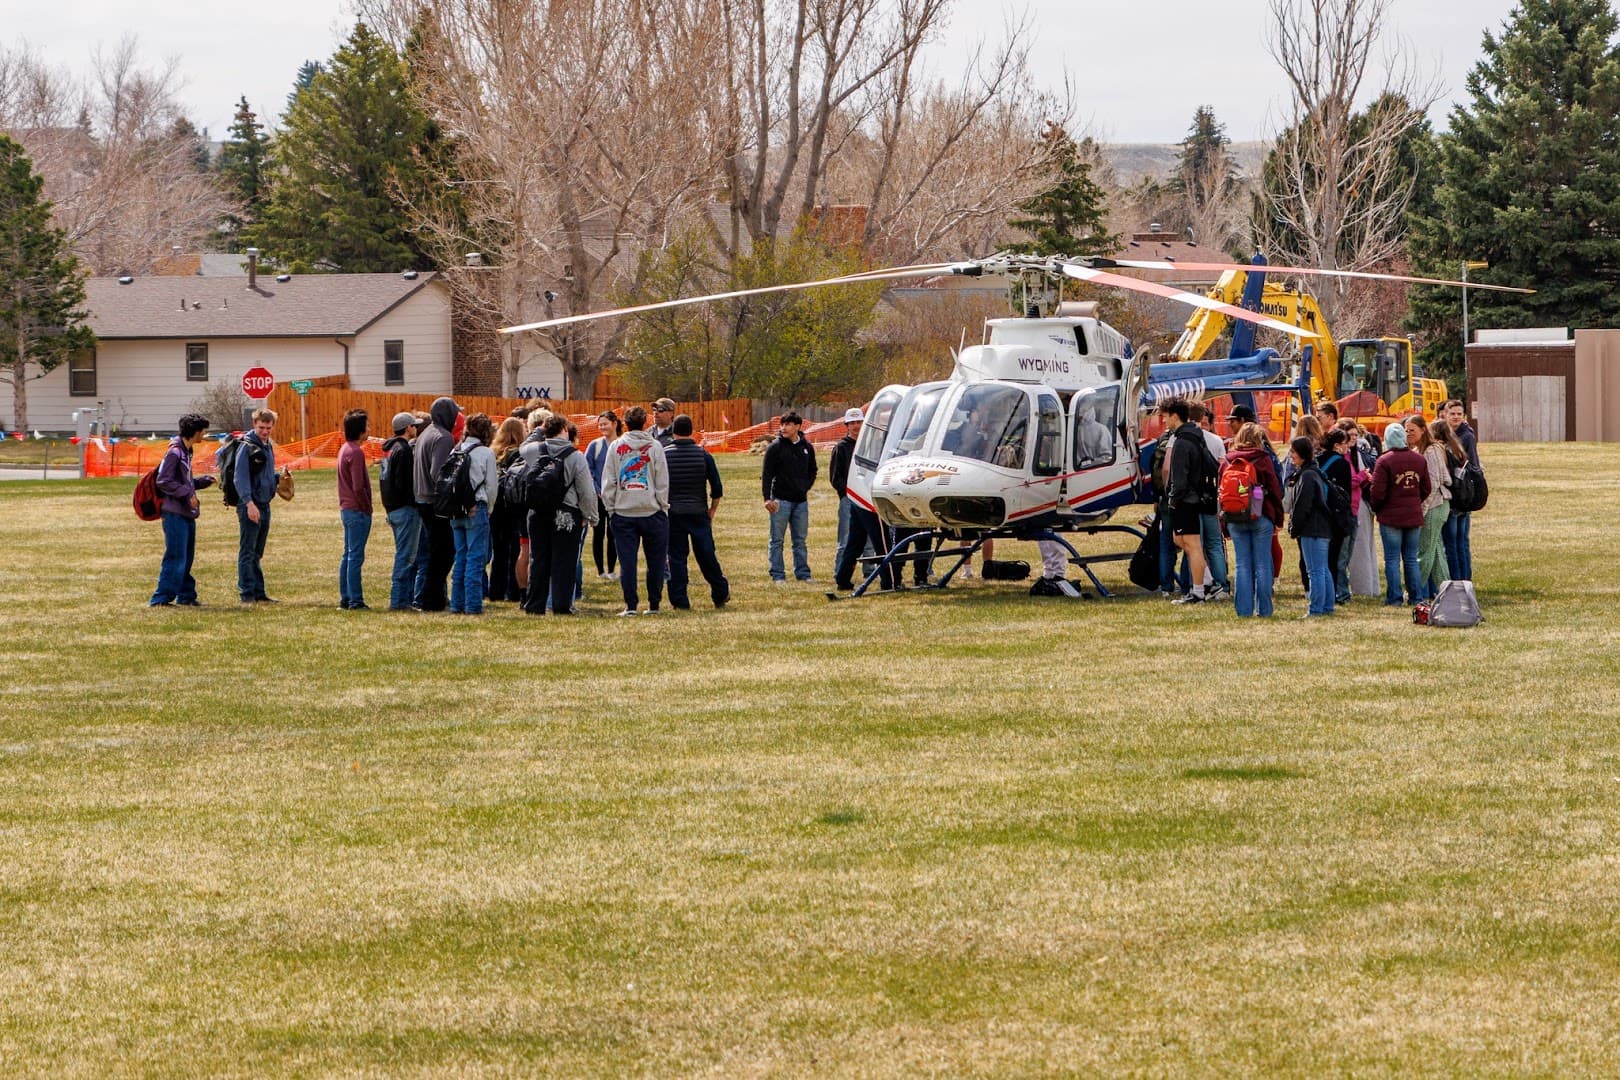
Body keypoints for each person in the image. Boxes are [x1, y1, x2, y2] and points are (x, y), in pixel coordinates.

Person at [523, 412, 598, 616]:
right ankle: (561, 605)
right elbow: (586, 491)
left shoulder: (532, 450)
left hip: (537, 513)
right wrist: (591, 516)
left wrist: (539, 431)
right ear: (565, 430)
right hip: (566, 514)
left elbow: (523, 448)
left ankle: (534, 605)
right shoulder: (575, 456)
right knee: (563, 563)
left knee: (538, 560)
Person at [600, 405, 670, 615]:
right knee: (656, 562)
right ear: (645, 422)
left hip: (624, 512)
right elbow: (662, 480)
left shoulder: (615, 447)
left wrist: (611, 508)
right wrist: (662, 505)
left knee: (627, 561)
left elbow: (609, 480)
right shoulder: (655, 447)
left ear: (625, 423)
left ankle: (631, 605)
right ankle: (654, 604)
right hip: (651, 511)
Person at [149, 413, 216, 606]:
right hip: (174, 513)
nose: (204, 434)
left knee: (186, 556)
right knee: (176, 556)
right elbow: (163, 481)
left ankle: (186, 596)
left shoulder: (187, 451)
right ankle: (161, 598)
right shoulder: (175, 452)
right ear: (195, 432)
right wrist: (188, 493)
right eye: (203, 431)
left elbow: (183, 481)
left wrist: (201, 482)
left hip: (185, 512)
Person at [664, 414, 730, 609]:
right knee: (707, 555)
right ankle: (720, 592)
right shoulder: (703, 455)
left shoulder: (664, 454)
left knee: (675, 557)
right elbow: (716, 487)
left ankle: (679, 600)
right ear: (691, 431)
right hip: (698, 511)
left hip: (673, 513)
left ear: (673, 431)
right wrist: (712, 510)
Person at [1220, 422, 1283, 617]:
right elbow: (1274, 490)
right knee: (1263, 563)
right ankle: (1264, 610)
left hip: (1235, 516)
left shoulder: (1227, 461)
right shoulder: (1263, 460)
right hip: (1261, 515)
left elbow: (1221, 493)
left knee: (1242, 564)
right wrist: (1278, 517)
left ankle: (1243, 610)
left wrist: (1224, 524)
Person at [1368, 420, 1429, 605]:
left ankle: (1394, 597)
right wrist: (1414, 502)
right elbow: (1427, 487)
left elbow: (1378, 493)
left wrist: (1377, 507)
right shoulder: (1419, 459)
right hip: (1413, 515)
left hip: (1391, 517)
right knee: (1411, 559)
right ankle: (1416, 597)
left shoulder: (1384, 461)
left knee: (1392, 560)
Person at [1162, 398, 1215, 605]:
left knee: (1192, 546)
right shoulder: (1195, 436)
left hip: (1186, 500)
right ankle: (1208, 580)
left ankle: (1199, 591)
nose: (1164, 421)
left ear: (1175, 416)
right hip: (1192, 497)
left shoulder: (1182, 442)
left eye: (1165, 417)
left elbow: (1179, 477)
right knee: (1179, 540)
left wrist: (1173, 499)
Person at [412, 396, 459, 611]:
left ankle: (432, 598)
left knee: (435, 552)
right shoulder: (444, 437)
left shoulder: (426, 434)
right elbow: (439, 473)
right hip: (435, 502)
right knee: (444, 553)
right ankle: (431, 600)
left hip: (422, 499)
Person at [449, 412, 497, 615]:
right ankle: (473, 605)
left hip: (456, 509)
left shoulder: (456, 450)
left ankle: (457, 603)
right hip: (477, 507)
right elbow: (492, 486)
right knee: (475, 559)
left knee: (460, 557)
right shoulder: (486, 453)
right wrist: (490, 508)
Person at [233, 407, 283, 604]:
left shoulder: (268, 445)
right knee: (247, 551)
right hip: (250, 505)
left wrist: (279, 479)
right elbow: (240, 478)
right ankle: (247, 593)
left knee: (257, 552)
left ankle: (259, 592)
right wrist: (249, 504)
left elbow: (266, 474)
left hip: (265, 504)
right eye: (261, 427)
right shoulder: (247, 446)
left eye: (268, 428)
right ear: (254, 424)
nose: (265, 431)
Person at [761, 410, 817, 584]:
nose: (784, 428)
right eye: (782, 424)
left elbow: (813, 471)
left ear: (798, 426)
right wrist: (767, 498)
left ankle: (803, 573)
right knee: (777, 539)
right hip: (780, 500)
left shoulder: (807, 447)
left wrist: (804, 487)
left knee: (800, 540)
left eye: (788, 424)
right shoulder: (775, 448)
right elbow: (767, 474)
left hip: (800, 502)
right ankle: (778, 574)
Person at [1285, 436, 1334, 617]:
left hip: (1312, 529)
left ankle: (1316, 609)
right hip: (1322, 527)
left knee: (1315, 570)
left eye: (1293, 452)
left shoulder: (1307, 476)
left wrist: (1294, 527)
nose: (1291, 456)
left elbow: (1302, 506)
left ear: (1301, 454)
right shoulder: (1315, 473)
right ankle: (1327, 606)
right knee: (1322, 568)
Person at [379, 411, 422, 611]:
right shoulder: (404, 450)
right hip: (405, 509)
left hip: (392, 508)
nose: (416, 429)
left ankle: (401, 599)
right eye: (414, 426)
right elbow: (404, 483)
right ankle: (399, 601)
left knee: (402, 553)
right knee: (405, 556)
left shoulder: (388, 449)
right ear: (407, 428)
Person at [1408, 414, 1451, 599]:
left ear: (1423, 430)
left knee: (1424, 552)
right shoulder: (1422, 449)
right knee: (1435, 553)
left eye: (1412, 430)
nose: (1409, 433)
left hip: (1436, 505)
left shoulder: (1431, 451)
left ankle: (1415, 592)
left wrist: (1421, 510)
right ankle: (1447, 590)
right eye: (1406, 430)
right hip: (1435, 505)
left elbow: (1433, 484)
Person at [1337, 418, 1380, 598]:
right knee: (1348, 552)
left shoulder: (1355, 454)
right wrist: (1363, 476)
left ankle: (1366, 588)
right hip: (1347, 506)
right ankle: (1356, 588)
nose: (1354, 438)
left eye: (1356, 434)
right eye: (1350, 434)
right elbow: (1347, 480)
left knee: (1362, 548)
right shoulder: (1342, 456)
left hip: (1358, 505)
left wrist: (1363, 477)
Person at [828, 407, 873, 577]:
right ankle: (840, 572)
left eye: (859, 422)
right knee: (845, 539)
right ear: (846, 425)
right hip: (848, 499)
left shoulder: (869, 446)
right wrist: (848, 492)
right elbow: (835, 477)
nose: (856, 426)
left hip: (867, 498)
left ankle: (870, 571)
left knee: (870, 539)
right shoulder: (841, 447)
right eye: (852, 423)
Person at [1191, 402, 1230, 597]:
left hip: (1192, 498)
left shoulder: (1183, 439)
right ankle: (1222, 583)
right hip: (1212, 496)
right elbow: (1223, 470)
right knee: (1215, 544)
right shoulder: (1216, 440)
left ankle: (1194, 583)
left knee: (1193, 544)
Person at [488, 416, 528, 603]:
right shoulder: (520, 453)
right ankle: (513, 591)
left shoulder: (493, 452)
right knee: (515, 549)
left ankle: (495, 590)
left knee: (498, 550)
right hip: (513, 505)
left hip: (495, 506)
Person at [336, 408, 372, 610]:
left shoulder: (344, 449)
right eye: (367, 425)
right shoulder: (356, 452)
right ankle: (356, 600)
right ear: (360, 429)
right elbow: (358, 486)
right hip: (357, 510)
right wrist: (367, 507)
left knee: (348, 555)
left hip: (346, 509)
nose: (370, 429)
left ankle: (346, 597)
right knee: (356, 556)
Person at [1441, 400, 1479, 581]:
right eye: (1452, 414)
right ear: (1445, 415)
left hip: (1460, 495)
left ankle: (1460, 580)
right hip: (1458, 495)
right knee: (1457, 542)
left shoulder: (1466, 437)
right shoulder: (1449, 435)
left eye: (1459, 414)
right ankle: (1462, 579)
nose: (1455, 417)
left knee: (1457, 542)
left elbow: (1469, 465)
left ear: (1463, 416)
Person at [1316, 427, 1353, 605]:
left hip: (1319, 514)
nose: (1348, 448)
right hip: (1337, 516)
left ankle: (1319, 592)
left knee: (1320, 557)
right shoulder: (1342, 464)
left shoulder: (1316, 461)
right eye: (1346, 444)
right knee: (1335, 557)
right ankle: (1335, 593)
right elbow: (1346, 494)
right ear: (1337, 445)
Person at [585, 410, 622, 581]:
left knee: (614, 533)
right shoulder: (595, 445)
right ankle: (600, 570)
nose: (602, 427)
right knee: (598, 533)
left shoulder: (622, 444)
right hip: (598, 497)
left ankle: (612, 570)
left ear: (615, 424)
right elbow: (587, 470)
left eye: (605, 423)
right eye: (600, 424)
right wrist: (597, 488)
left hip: (617, 496)